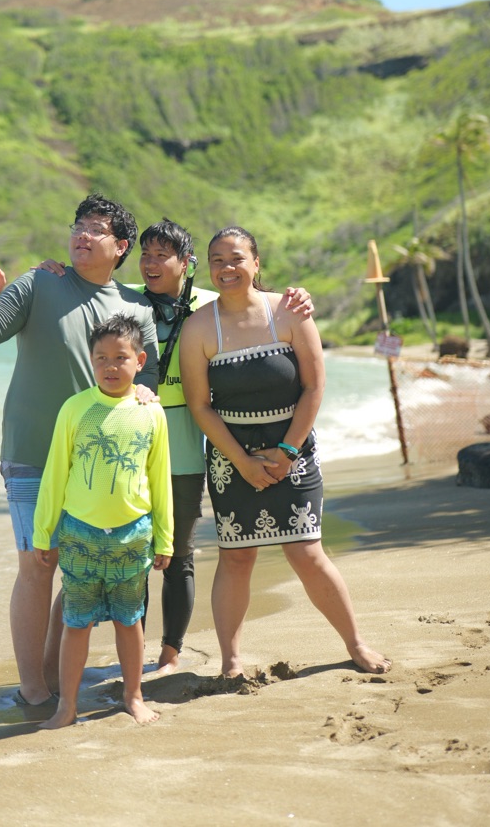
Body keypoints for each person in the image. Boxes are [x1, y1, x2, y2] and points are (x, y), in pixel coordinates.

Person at [36, 219, 314, 674]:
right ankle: (134, 656)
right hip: (128, 450)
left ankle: (171, 653)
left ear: (186, 264)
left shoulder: (209, 305)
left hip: (184, 444)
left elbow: (257, 307)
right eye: (144, 255)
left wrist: (299, 297)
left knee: (178, 555)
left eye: (162, 255)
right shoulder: (126, 300)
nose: (150, 264)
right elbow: (87, 294)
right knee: (135, 558)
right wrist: (54, 272)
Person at [0, 194, 160, 718]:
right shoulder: (40, 282)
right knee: (37, 562)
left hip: (99, 464)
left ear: (120, 247)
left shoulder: (138, 306)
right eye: (78, 225)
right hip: (31, 452)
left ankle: (51, 676)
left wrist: (145, 396)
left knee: (74, 563)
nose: (82, 234)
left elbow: (150, 380)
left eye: (97, 229)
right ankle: (32, 688)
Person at [179, 226, 391, 677]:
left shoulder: (290, 312)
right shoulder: (199, 326)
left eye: (236, 258)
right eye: (216, 260)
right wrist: (241, 461)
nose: (226, 268)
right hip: (230, 459)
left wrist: (288, 452)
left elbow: (315, 386)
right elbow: (200, 405)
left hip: (294, 454)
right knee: (237, 557)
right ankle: (231, 662)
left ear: (256, 263)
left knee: (306, 551)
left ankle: (355, 644)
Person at [33, 314, 173, 727]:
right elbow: (55, 473)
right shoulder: (75, 409)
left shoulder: (152, 413)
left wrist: (165, 538)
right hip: (79, 533)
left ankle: (134, 697)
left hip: (134, 533)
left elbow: (159, 478)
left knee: (130, 620)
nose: (111, 367)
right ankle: (67, 707)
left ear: (140, 360)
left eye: (120, 357)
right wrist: (44, 532)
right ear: (91, 362)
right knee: (76, 622)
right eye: (101, 359)